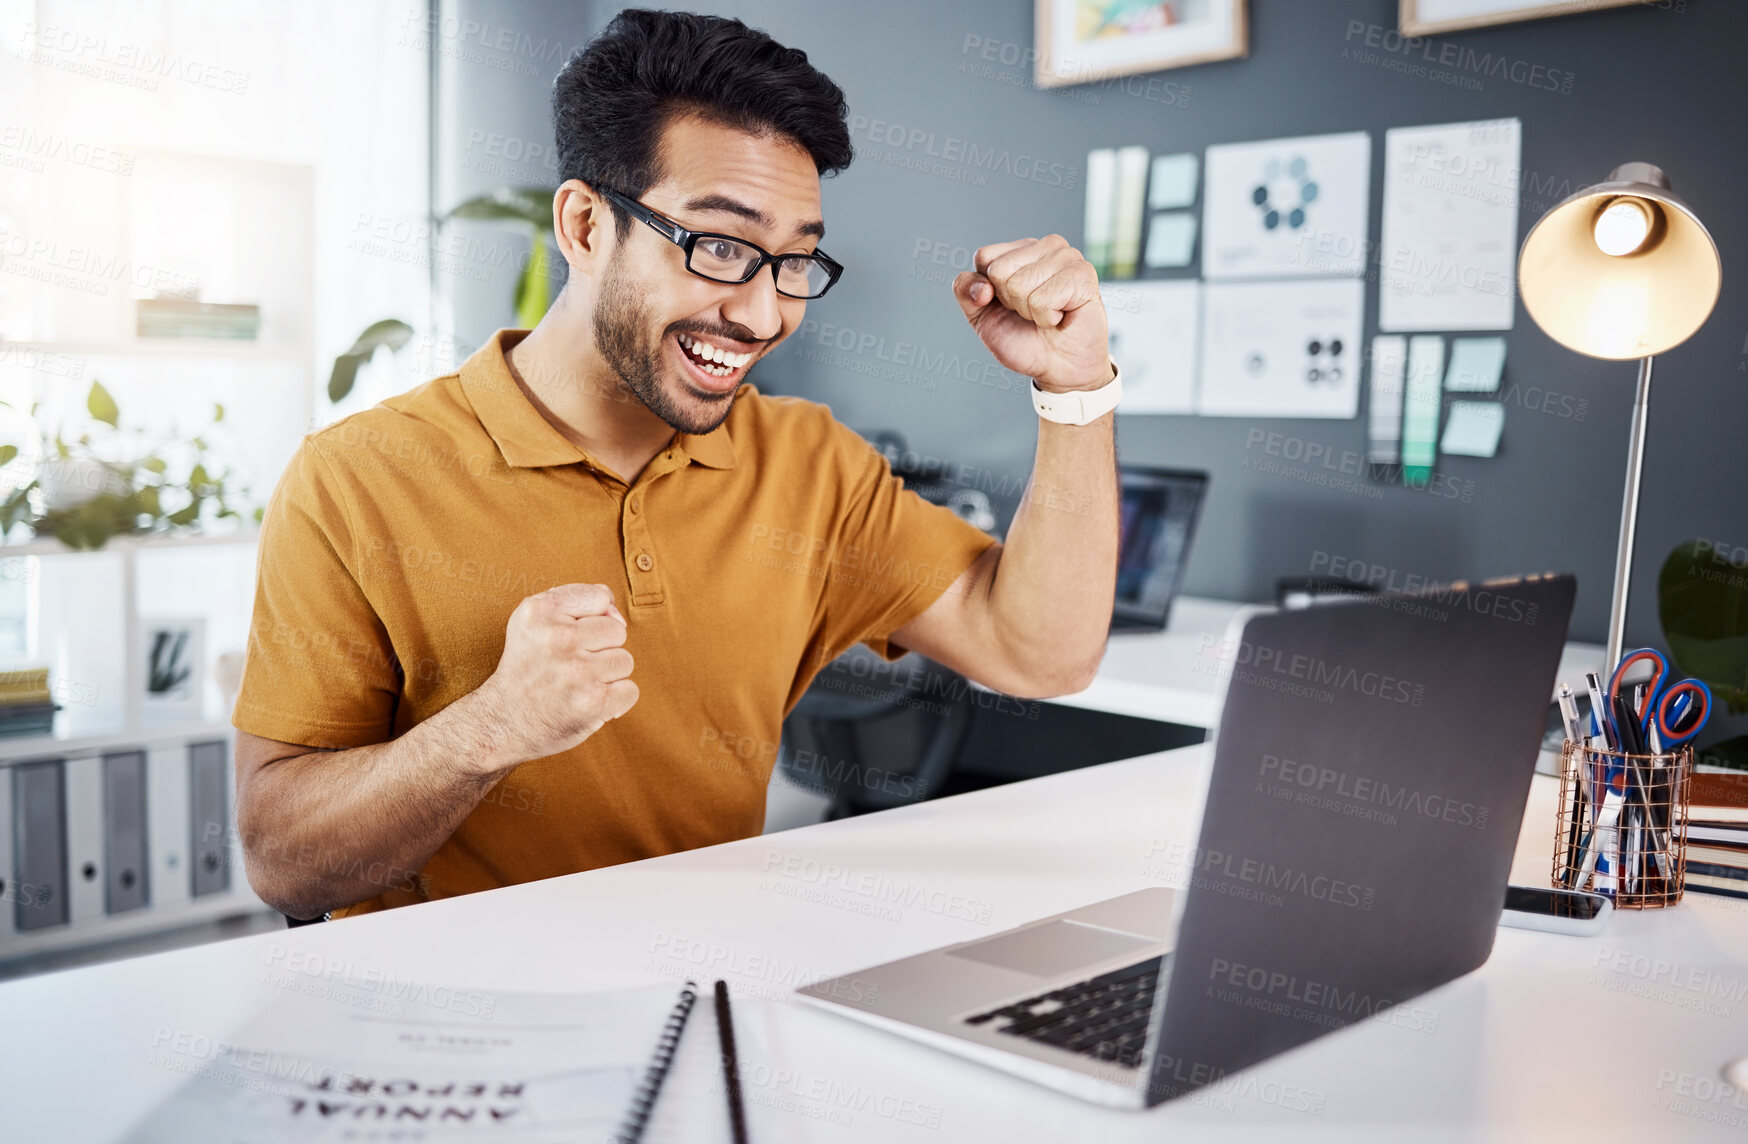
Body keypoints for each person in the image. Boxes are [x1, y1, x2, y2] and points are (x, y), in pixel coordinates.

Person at [232, 9, 1121, 921]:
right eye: (721, 246)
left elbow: (1041, 654)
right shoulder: (356, 478)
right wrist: (487, 730)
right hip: (438, 1036)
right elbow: (283, 863)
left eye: (797, 260)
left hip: (703, 1009)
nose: (763, 311)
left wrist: (1077, 385)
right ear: (584, 225)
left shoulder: (808, 465)